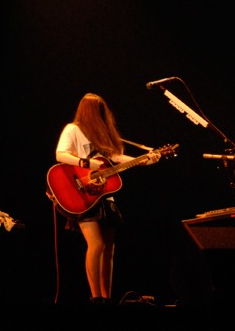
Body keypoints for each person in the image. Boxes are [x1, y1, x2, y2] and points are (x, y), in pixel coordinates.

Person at [54, 92, 160, 305]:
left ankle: (107, 298)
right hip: (82, 193)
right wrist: (87, 164)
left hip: (104, 196)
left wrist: (145, 160)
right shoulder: (73, 129)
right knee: (97, 244)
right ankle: (97, 298)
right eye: (98, 111)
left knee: (109, 248)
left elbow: (116, 158)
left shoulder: (102, 135)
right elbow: (60, 154)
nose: (102, 115)